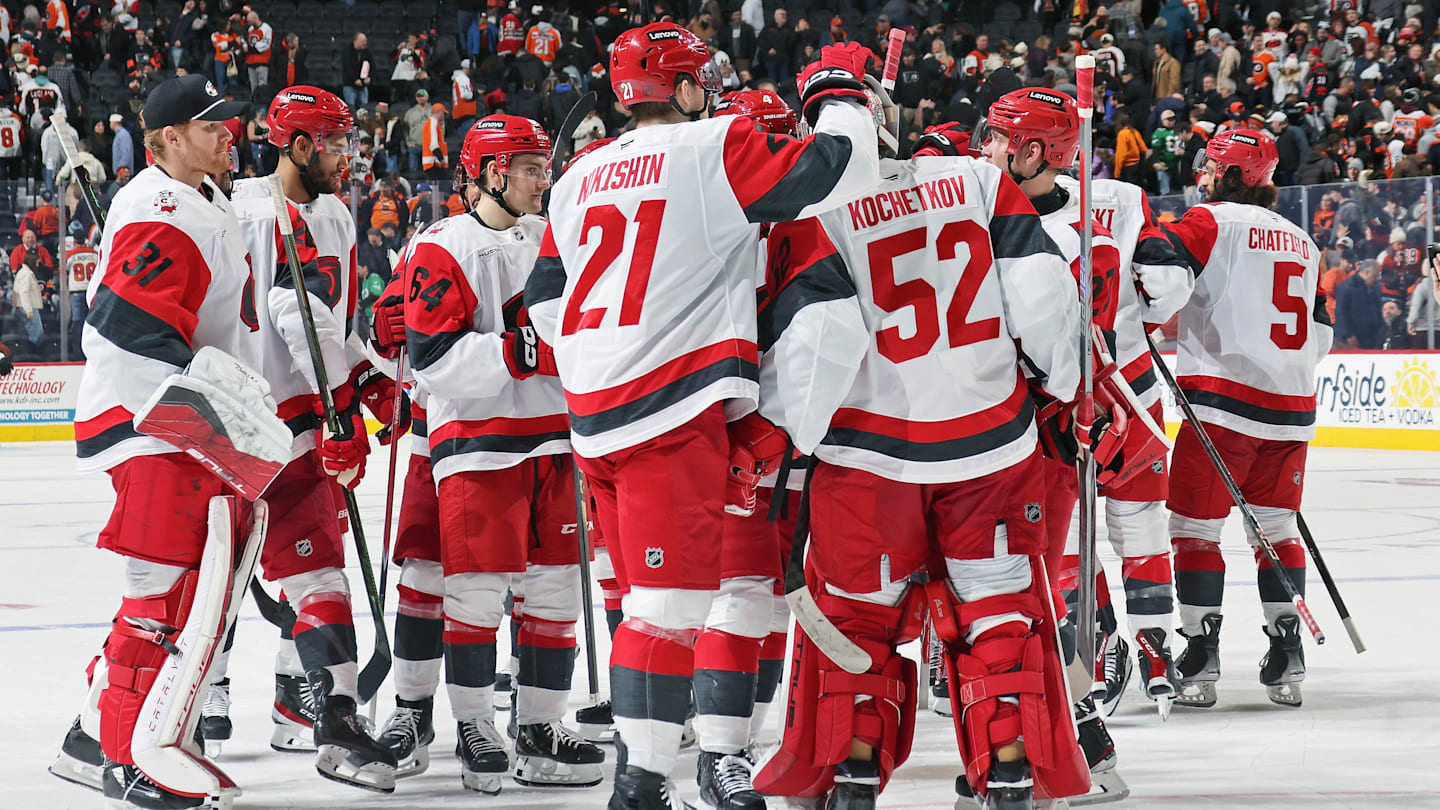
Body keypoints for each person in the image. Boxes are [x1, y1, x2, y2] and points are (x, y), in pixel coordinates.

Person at [524, 24, 880, 809]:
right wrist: (841, 93)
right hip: (669, 412)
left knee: (651, 608)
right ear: (684, 89)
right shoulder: (712, 144)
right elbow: (837, 169)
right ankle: (643, 786)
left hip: (594, 417)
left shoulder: (579, 172)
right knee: (671, 610)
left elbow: (547, 299)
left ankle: (658, 772)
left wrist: (612, 349)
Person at [754, 86, 1090, 810]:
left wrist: (798, 435)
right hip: (992, 446)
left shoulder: (825, 212)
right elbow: (1041, 300)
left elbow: (816, 344)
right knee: (998, 607)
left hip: (869, 458)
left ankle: (851, 770)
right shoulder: (980, 180)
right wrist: (1061, 380)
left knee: (857, 618)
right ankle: (1008, 768)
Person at [390, 114, 605, 794]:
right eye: (532, 167)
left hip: (556, 439)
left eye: (545, 165)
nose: (545, 178)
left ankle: (539, 725)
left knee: (555, 588)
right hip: (480, 445)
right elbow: (431, 358)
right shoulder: (443, 246)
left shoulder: (555, 238)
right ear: (490, 172)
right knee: (475, 590)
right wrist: (518, 351)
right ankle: (475, 723)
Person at [63, 72, 254, 810]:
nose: (226, 135)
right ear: (167, 139)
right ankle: (126, 758)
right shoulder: (162, 205)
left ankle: (92, 735)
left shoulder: (202, 197)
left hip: (173, 419)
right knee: (158, 595)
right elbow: (124, 322)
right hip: (150, 419)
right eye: (210, 127)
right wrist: (214, 405)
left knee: (178, 592)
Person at [224, 85, 399, 789]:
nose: (347, 158)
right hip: (237, 427)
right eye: (334, 144)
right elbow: (274, 314)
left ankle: (331, 717)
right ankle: (164, 705)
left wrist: (361, 388)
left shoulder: (335, 216)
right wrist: (347, 396)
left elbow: (336, 320)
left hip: (302, 423)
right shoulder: (239, 208)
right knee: (212, 580)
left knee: (319, 571)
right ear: (298, 146)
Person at [1159, 129, 1332, 709]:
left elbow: (1157, 276)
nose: (1202, 174)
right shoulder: (1304, 243)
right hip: (1291, 409)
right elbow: (1322, 334)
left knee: (1194, 529)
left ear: (1227, 172)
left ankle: (1201, 656)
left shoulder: (1210, 221)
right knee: (1276, 529)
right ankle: (1288, 654)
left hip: (1222, 407)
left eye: (1210, 165)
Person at [1335, 259, 1382, 349]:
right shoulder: (1347, 287)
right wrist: (1349, 334)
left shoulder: (1373, 287)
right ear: (1367, 272)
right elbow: (1341, 313)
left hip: (1372, 334)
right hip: (1355, 336)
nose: (1376, 279)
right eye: (1375, 276)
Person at [64, 234, 99, 356]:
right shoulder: (94, 253)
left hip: (76, 290)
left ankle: (78, 351)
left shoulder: (71, 255)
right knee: (93, 321)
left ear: (74, 241)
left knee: (77, 321)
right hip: (92, 290)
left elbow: (63, 271)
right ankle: (93, 349)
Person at [243, 8, 273, 90]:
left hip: (262, 61)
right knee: (253, 86)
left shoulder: (266, 28)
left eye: (249, 21)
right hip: (250, 61)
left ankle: (262, 102)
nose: (248, 23)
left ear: (254, 18)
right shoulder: (250, 29)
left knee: (262, 85)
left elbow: (265, 45)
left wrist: (250, 48)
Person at [110, 114, 134, 178]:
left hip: (123, 173)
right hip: (121, 172)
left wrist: (121, 169)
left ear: (114, 123)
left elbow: (126, 153)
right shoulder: (120, 135)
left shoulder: (123, 135)